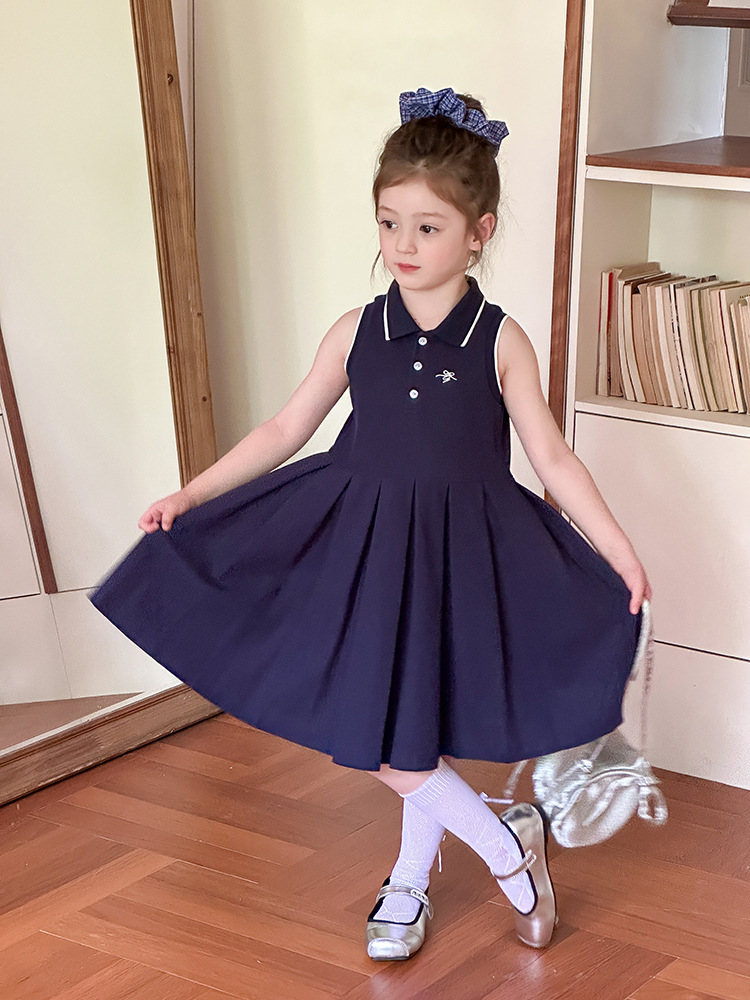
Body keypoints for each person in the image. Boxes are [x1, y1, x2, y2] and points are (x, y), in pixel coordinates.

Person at [89, 87, 652, 962]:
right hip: (364, 553)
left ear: (480, 232)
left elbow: (552, 459)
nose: (402, 245)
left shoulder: (500, 339)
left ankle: (412, 877)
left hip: (462, 556)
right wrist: (192, 494)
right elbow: (285, 428)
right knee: (390, 739)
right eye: (389, 224)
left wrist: (616, 551)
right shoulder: (356, 330)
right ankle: (508, 851)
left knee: (414, 731)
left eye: (427, 227)